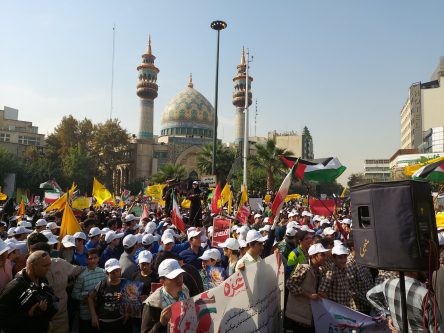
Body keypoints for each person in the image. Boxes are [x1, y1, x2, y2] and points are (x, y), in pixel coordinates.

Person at [367, 271, 444, 332]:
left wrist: (388, 315)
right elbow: (437, 329)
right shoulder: (425, 294)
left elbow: (370, 295)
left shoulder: (387, 283)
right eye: (422, 269)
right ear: (414, 272)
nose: (425, 272)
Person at [0, 250, 56, 333]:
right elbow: (3, 319)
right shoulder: (15, 286)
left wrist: (48, 322)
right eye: (45, 266)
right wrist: (28, 314)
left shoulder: (42, 279)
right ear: (31, 266)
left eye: (49, 265)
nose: (48, 268)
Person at [285, 243, 330, 333]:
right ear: (314, 256)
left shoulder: (319, 269)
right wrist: (308, 295)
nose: (325, 257)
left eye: (325, 255)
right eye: (322, 255)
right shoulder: (304, 267)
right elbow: (290, 284)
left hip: (311, 315)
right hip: (300, 316)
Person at [141, 258, 190, 333]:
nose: (179, 280)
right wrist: (161, 324)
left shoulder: (185, 290)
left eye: (180, 275)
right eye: (173, 277)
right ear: (162, 281)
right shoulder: (152, 304)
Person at [88, 258, 131, 333]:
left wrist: (127, 311)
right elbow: (90, 298)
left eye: (117, 271)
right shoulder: (102, 284)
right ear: (107, 273)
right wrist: (93, 316)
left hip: (120, 321)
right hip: (104, 322)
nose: (116, 274)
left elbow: (132, 300)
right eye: (112, 272)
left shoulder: (125, 283)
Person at [71, 248, 106, 333]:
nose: (93, 260)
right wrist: (88, 294)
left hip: (100, 313)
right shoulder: (82, 276)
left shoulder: (103, 273)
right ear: (86, 260)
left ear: (99, 258)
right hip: (85, 315)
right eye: (90, 258)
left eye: (95, 257)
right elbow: (74, 294)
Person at [318, 244, 357, 310]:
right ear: (334, 258)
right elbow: (321, 292)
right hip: (336, 311)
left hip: (344, 308)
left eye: (345, 257)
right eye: (340, 257)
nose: (343, 260)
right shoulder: (331, 271)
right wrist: (332, 307)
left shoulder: (344, 269)